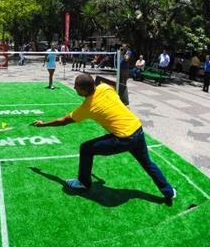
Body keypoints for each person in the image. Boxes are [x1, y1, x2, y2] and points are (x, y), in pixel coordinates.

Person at [32, 74, 176, 204]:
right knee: (148, 163)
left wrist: (43, 124)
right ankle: (169, 192)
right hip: (137, 129)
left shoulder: (88, 106)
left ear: (83, 90)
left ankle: (83, 182)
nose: (75, 89)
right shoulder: (106, 87)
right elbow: (105, 84)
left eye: (76, 87)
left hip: (123, 138)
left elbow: (63, 121)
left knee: (86, 148)